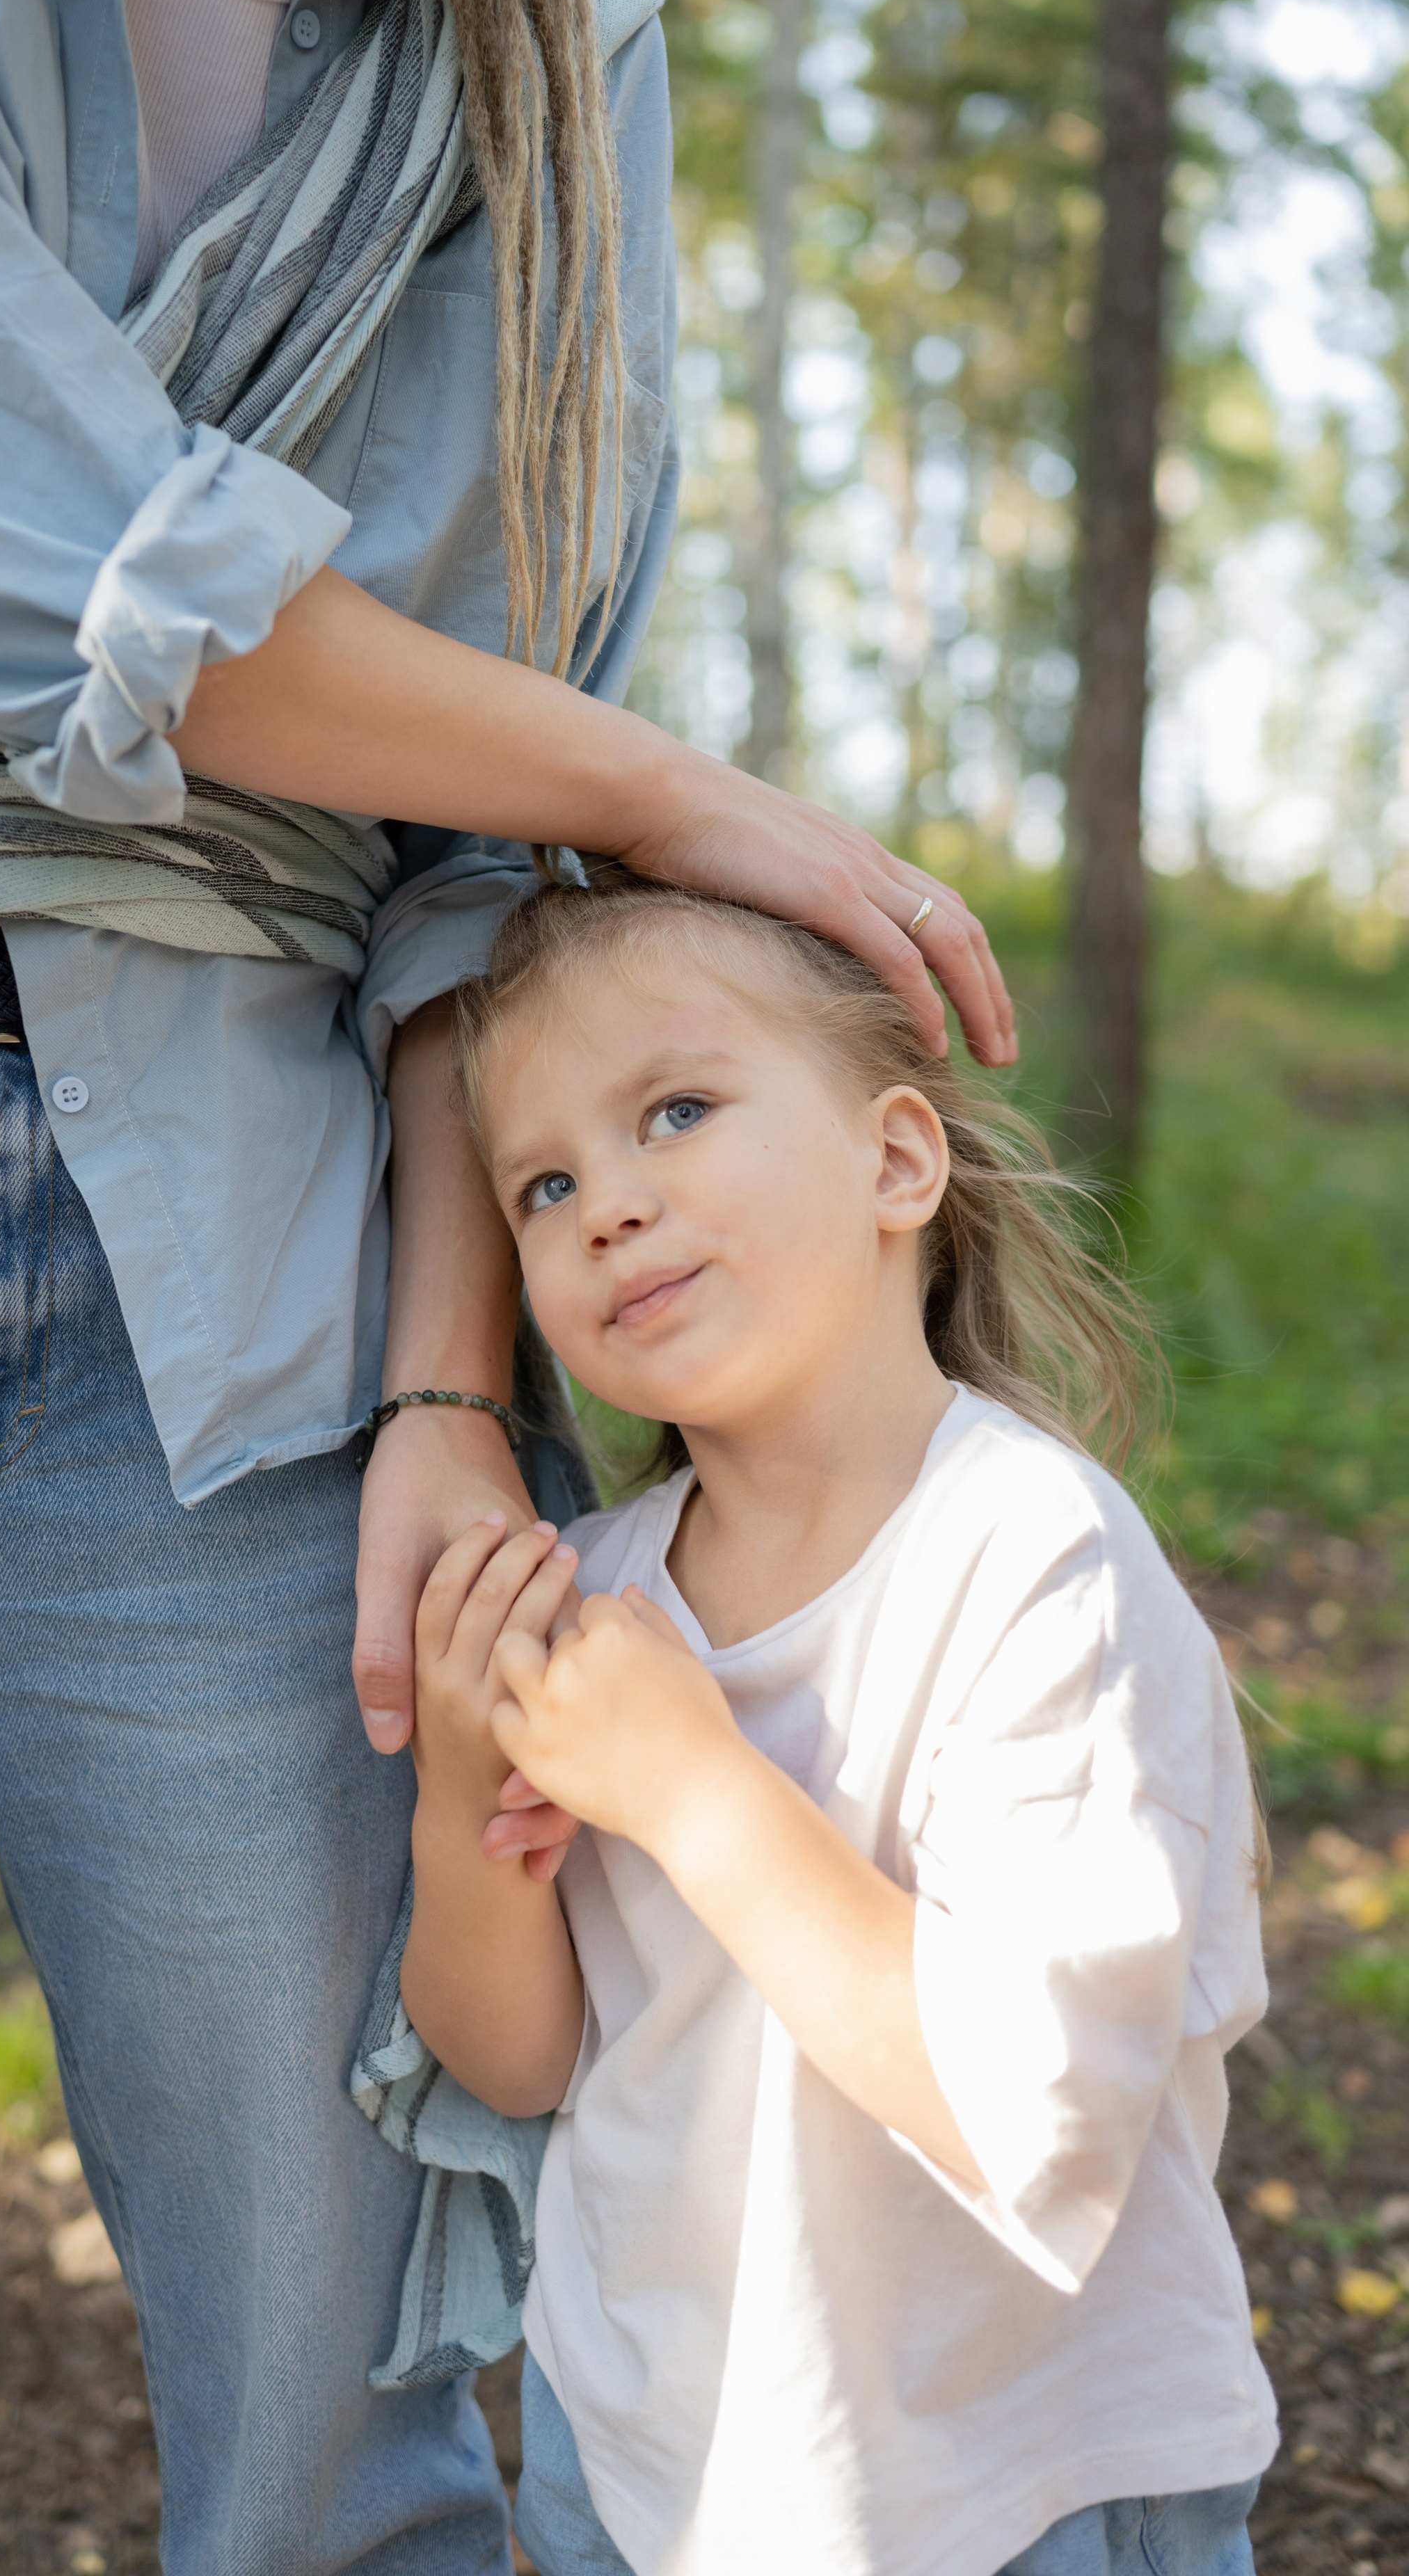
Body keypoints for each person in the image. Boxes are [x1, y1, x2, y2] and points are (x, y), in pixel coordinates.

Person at [0, 0, 1014, 2568]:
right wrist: (669, 791)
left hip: (252, 1268)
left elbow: (461, 841)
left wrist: (436, 1389)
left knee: (342, 2414)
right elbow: (35, 547)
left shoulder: (550, 38)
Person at [401, 878, 1280, 2576]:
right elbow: (516, 2062)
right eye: (546, 1181)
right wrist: (463, 1816)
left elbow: (1022, 2108)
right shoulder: (587, 1594)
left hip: (1011, 2478)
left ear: (894, 1162)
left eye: (674, 1109)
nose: (606, 1205)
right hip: (657, 2467)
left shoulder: (1032, 1559)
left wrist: (692, 1786)